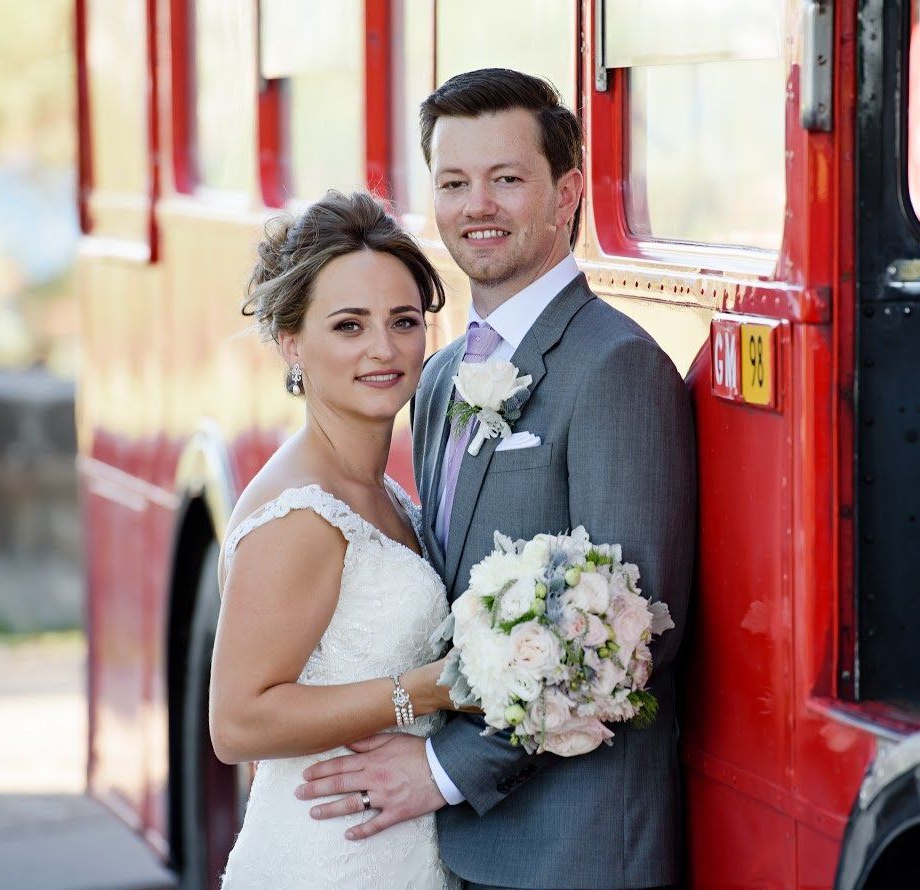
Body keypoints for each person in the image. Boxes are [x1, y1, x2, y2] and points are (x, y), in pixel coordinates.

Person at [297, 69, 698, 890]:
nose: (477, 206)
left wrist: (441, 773)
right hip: (458, 847)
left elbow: (631, 637)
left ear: (567, 191)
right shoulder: (439, 376)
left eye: (507, 180)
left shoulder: (616, 369)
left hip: (574, 851)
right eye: (454, 183)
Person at [211, 190, 461, 889]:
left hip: (393, 849)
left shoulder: (385, 494)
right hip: (326, 861)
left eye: (403, 321)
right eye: (349, 326)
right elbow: (237, 722)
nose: (384, 349)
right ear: (293, 343)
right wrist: (429, 691)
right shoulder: (301, 514)